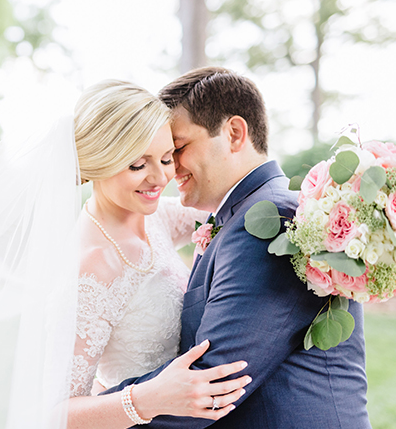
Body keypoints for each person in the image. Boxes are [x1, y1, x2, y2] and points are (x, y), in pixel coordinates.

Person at [106, 67, 371, 428]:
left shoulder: (270, 222)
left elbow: (209, 385)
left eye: (178, 148)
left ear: (233, 133)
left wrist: (80, 413)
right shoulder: (240, 214)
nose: (169, 169)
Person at [64, 80, 251, 428]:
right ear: (98, 161)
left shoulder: (157, 216)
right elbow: (54, 414)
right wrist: (147, 398)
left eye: (167, 158)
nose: (161, 177)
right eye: (138, 165)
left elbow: (240, 206)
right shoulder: (92, 264)